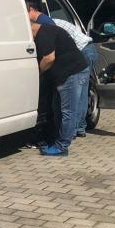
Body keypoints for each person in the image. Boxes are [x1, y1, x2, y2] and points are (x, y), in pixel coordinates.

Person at [26, 2, 97, 138]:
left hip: (83, 51)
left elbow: (49, 55)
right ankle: (78, 128)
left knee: (76, 95)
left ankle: (73, 131)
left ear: (32, 10)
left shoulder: (44, 22)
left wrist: (40, 72)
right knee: (79, 94)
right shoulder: (46, 20)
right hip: (82, 51)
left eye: (26, 12)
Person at [31, 20, 88, 157]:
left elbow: (49, 58)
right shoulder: (48, 30)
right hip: (68, 72)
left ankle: (62, 146)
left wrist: (37, 73)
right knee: (58, 109)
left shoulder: (44, 34)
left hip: (71, 73)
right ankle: (57, 140)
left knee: (68, 111)